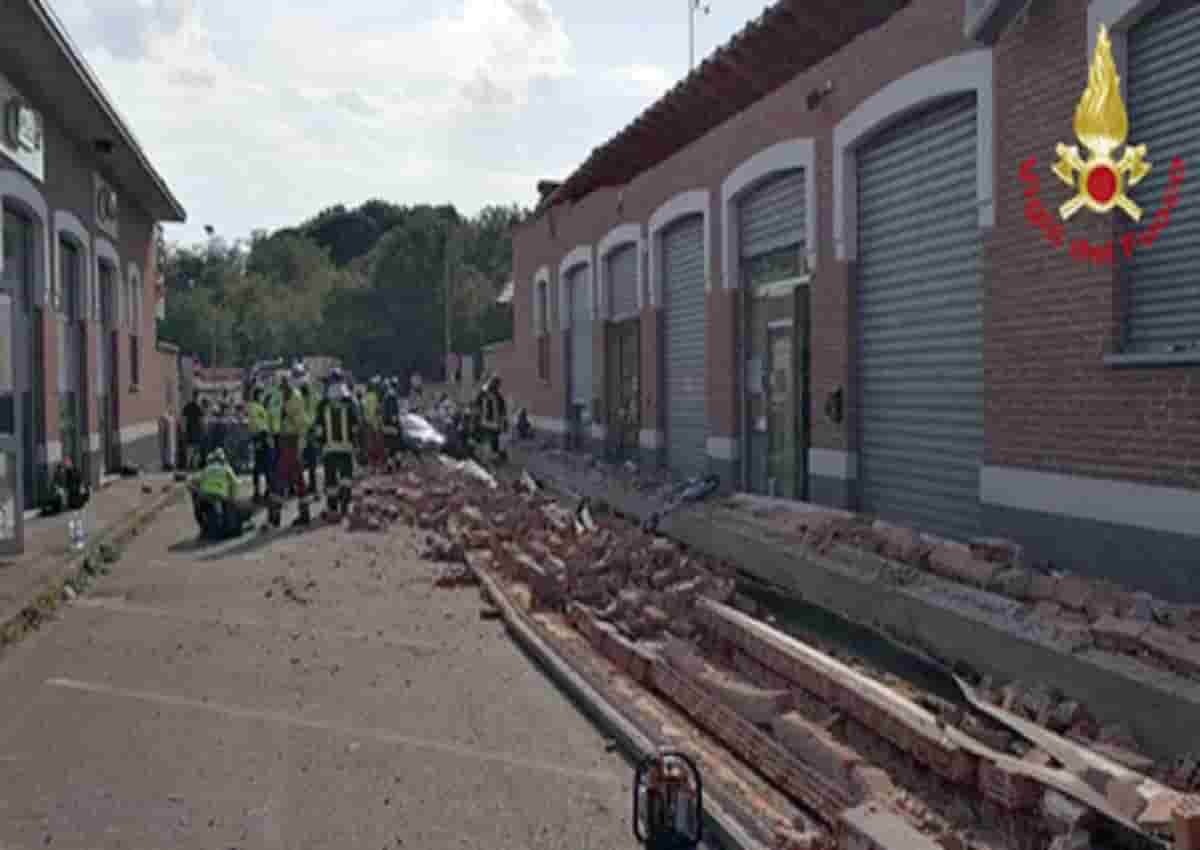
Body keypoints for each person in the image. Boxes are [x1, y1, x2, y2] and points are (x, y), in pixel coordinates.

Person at [315, 373, 359, 518]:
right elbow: (356, 427)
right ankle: (345, 506)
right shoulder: (350, 402)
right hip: (346, 448)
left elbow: (319, 429)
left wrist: (319, 445)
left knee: (331, 480)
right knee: (346, 477)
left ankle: (333, 509)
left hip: (329, 449)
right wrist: (356, 444)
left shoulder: (322, 404)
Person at [270, 373, 311, 527]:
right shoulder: (283, 398)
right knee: (298, 480)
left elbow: (302, 425)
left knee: (280, 477)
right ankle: (304, 514)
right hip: (284, 440)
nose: (282, 389)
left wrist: (299, 448)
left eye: (284, 386)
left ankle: (275, 517)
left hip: (291, 441)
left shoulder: (295, 399)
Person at [188, 448, 254, 540]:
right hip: (220, 496)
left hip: (205, 496)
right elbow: (235, 483)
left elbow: (191, 482)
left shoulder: (207, 469)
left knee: (198, 507)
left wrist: (196, 492)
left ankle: (203, 529)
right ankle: (222, 527)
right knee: (228, 509)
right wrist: (232, 497)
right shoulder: (226, 468)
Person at [247, 386, 272, 503]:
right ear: (257, 395)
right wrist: (261, 437)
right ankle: (257, 491)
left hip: (263, 436)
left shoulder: (260, 407)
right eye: (261, 394)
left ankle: (266, 490)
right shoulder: (253, 407)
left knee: (266, 465)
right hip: (259, 436)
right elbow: (257, 423)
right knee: (259, 466)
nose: (262, 397)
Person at [477, 375, 509, 462]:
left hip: (491, 423)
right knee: (492, 440)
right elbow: (477, 406)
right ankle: (495, 456)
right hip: (488, 422)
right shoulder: (486, 395)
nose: (497, 386)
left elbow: (502, 411)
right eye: (496, 384)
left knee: (495, 440)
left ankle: (497, 456)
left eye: (498, 384)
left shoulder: (497, 396)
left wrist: (504, 421)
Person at [300, 382, 321, 495]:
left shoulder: (302, 402)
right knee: (311, 463)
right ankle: (312, 486)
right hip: (309, 434)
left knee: (306, 463)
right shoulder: (312, 400)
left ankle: (310, 486)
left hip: (305, 435)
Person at [181, 392, 206, 470]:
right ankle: (194, 466)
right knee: (197, 449)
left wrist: (183, 430)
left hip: (189, 431)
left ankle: (188, 465)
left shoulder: (187, 406)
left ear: (192, 396)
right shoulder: (199, 407)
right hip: (197, 431)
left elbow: (183, 419)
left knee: (189, 449)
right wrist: (204, 430)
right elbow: (201, 420)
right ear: (197, 397)